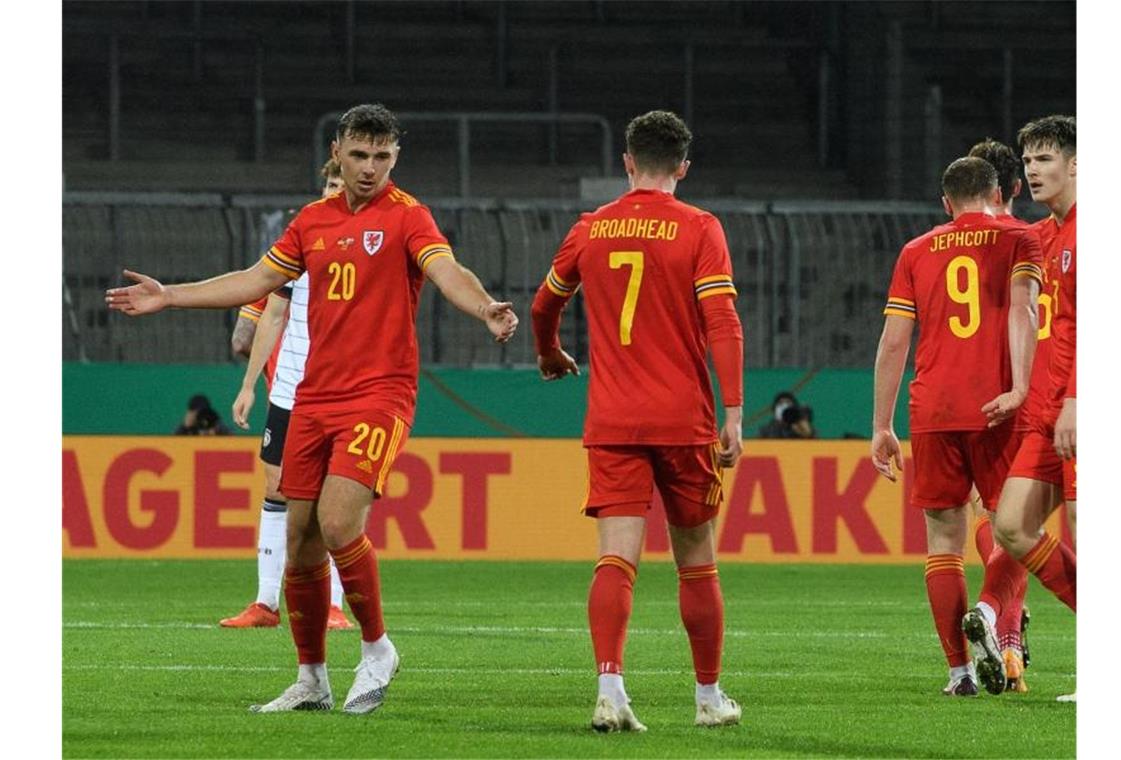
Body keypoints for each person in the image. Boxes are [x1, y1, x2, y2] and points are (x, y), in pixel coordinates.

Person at [107, 103, 519, 714]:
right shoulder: (312, 221)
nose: (370, 167)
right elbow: (254, 281)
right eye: (359, 155)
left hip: (379, 395)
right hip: (313, 396)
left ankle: (377, 648)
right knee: (299, 539)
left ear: (395, 157)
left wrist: (484, 306)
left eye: (382, 156)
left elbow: (445, 269)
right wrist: (171, 297)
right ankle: (312, 678)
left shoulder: (409, 218)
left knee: (336, 522)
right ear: (337, 153)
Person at [531, 110, 745, 732]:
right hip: (683, 419)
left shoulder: (591, 228)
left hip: (614, 419)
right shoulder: (701, 228)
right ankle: (707, 699)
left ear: (626, 162)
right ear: (683, 166)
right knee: (697, 559)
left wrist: (549, 352)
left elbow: (546, 303)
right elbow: (722, 324)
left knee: (616, 558)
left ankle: (610, 688)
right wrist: (733, 410)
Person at [871, 156, 1042, 697]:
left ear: (945, 203)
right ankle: (994, 620)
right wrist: (1021, 386)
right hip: (998, 407)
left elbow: (895, 341)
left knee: (942, 542)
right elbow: (1025, 312)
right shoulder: (1020, 238)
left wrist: (881, 425)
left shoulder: (915, 251)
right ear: (998, 194)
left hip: (933, 411)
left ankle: (959, 672)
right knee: (1016, 530)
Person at [962, 115, 1076, 701]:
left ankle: (1009, 634)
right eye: (1028, 161)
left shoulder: (1083, 232)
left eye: (1045, 159)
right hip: (1037, 406)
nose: (1034, 170)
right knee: (1011, 526)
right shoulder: (1040, 237)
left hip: (1062, 404)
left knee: (1070, 532)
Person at [220, 159, 353, 631]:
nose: (336, 191)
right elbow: (272, 314)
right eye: (331, 184)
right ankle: (265, 604)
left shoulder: (365, 246)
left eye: (343, 184)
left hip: (342, 391)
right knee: (276, 490)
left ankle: (335, 605)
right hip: (290, 391)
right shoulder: (303, 241)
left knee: (333, 502)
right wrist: (249, 385)